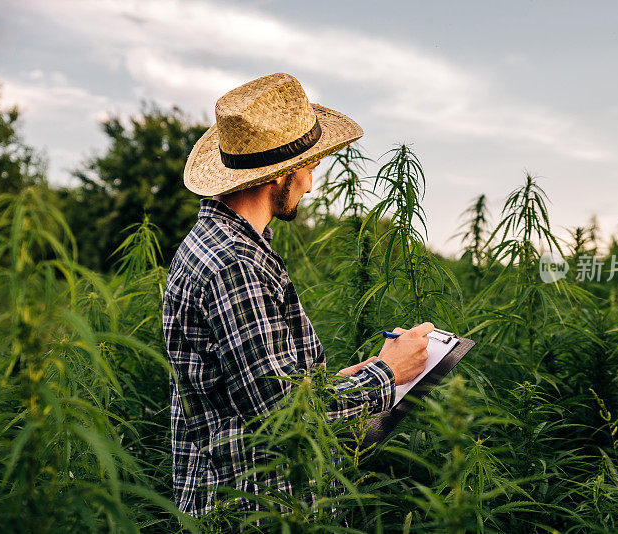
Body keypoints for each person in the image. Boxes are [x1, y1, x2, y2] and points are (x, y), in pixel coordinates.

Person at [162, 72, 433, 518]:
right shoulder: (236, 264)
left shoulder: (225, 243)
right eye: (309, 168)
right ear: (281, 176)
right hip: (250, 510)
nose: (310, 184)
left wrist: (348, 377)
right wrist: (387, 372)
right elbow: (285, 416)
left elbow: (260, 385)